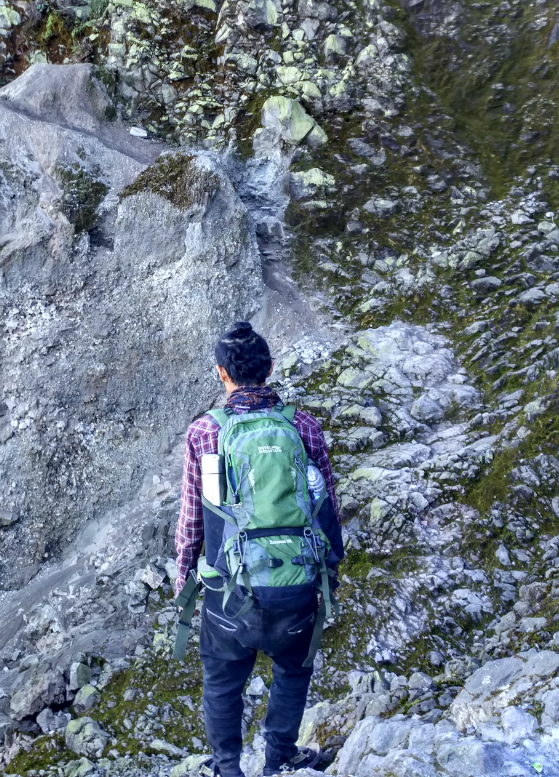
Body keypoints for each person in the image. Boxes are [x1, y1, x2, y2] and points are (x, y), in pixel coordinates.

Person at [173, 322, 344, 777]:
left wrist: (183, 580)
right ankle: (281, 759)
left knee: (222, 681)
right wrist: (330, 574)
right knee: (292, 670)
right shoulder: (303, 425)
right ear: (270, 368)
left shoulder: (204, 433)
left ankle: (228, 768)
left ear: (221, 373)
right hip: (295, 585)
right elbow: (327, 506)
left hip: (231, 593)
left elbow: (192, 520)